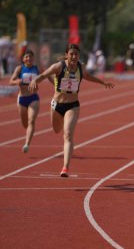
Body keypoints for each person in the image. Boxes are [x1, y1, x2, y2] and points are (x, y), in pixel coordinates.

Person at [28, 44, 115, 177]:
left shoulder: (81, 67)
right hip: (57, 105)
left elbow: (88, 76)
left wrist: (103, 83)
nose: (74, 56)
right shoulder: (58, 66)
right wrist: (35, 80)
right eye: (72, 54)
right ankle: (62, 126)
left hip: (73, 106)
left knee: (68, 134)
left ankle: (65, 168)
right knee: (57, 130)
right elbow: (44, 75)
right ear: (67, 55)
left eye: (76, 54)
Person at [9, 50, 53, 153]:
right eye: (26, 57)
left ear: (33, 58)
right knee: (25, 124)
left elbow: (48, 75)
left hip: (33, 98)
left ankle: (26, 144)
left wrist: (56, 85)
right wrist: (17, 81)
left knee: (31, 120)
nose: (28, 59)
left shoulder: (37, 68)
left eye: (30, 57)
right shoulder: (20, 69)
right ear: (23, 59)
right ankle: (28, 132)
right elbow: (11, 81)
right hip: (22, 98)